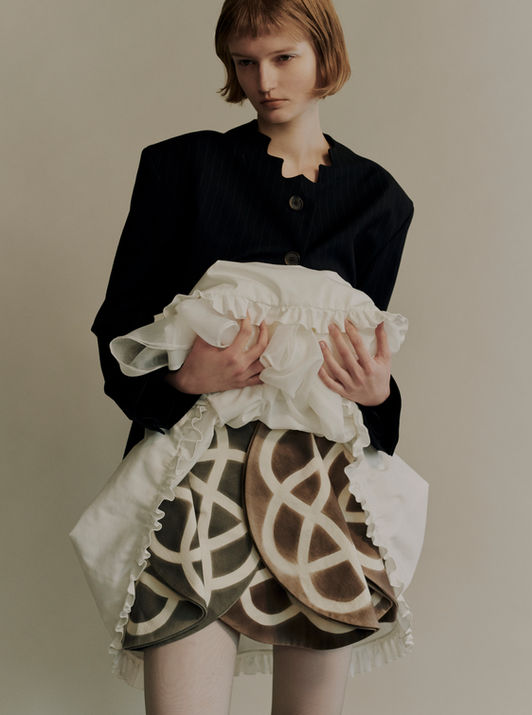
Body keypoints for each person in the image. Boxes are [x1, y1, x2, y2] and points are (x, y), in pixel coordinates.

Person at [75, 1, 427, 713]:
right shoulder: (182, 168)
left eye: (283, 58)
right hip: (196, 475)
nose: (263, 81)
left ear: (326, 56)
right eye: (245, 62)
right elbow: (117, 329)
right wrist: (182, 381)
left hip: (322, 487)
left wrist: (379, 394)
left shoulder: (380, 201)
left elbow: (365, 374)